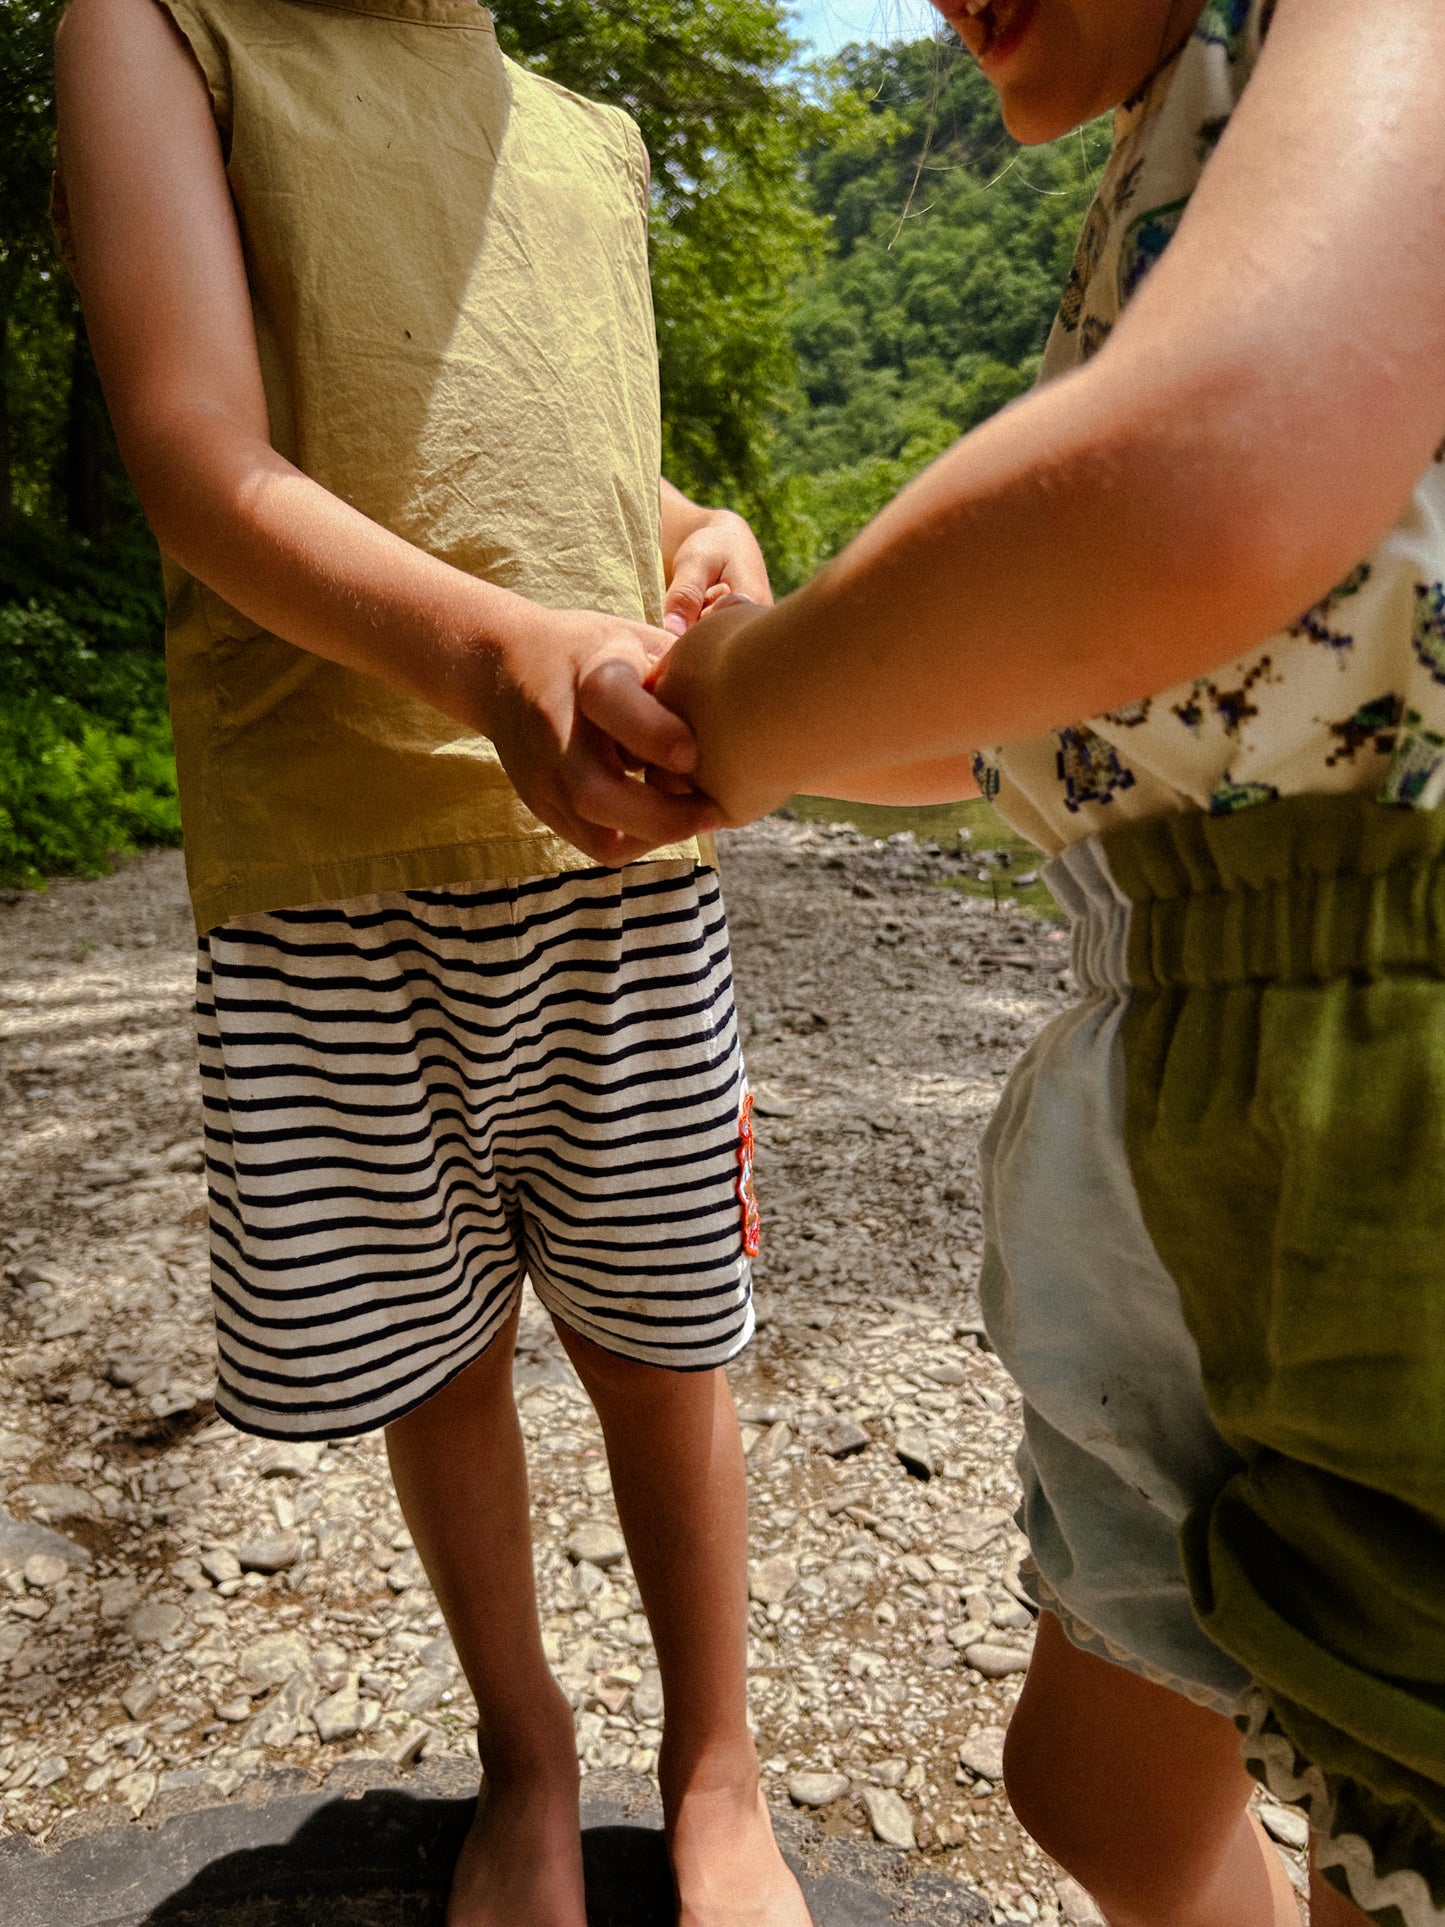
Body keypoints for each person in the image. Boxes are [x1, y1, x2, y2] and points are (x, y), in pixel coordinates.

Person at [583, 1, 1445, 1922]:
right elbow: (1043, 709)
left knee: (1393, 1818)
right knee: (1105, 1787)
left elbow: (1205, 477)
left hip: (1390, 1064)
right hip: (1188, 1059)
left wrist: (755, 698)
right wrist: (774, 689)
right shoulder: (1169, 159)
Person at [51, 2, 812, 1922]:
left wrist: (692, 523)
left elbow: (539, 445)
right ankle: (527, 1755)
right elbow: (197, 447)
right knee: (435, 1353)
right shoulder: (161, 26)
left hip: (619, 853)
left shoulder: (582, 131)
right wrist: (489, 661)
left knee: (665, 1339)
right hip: (327, 855)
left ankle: (717, 1768)